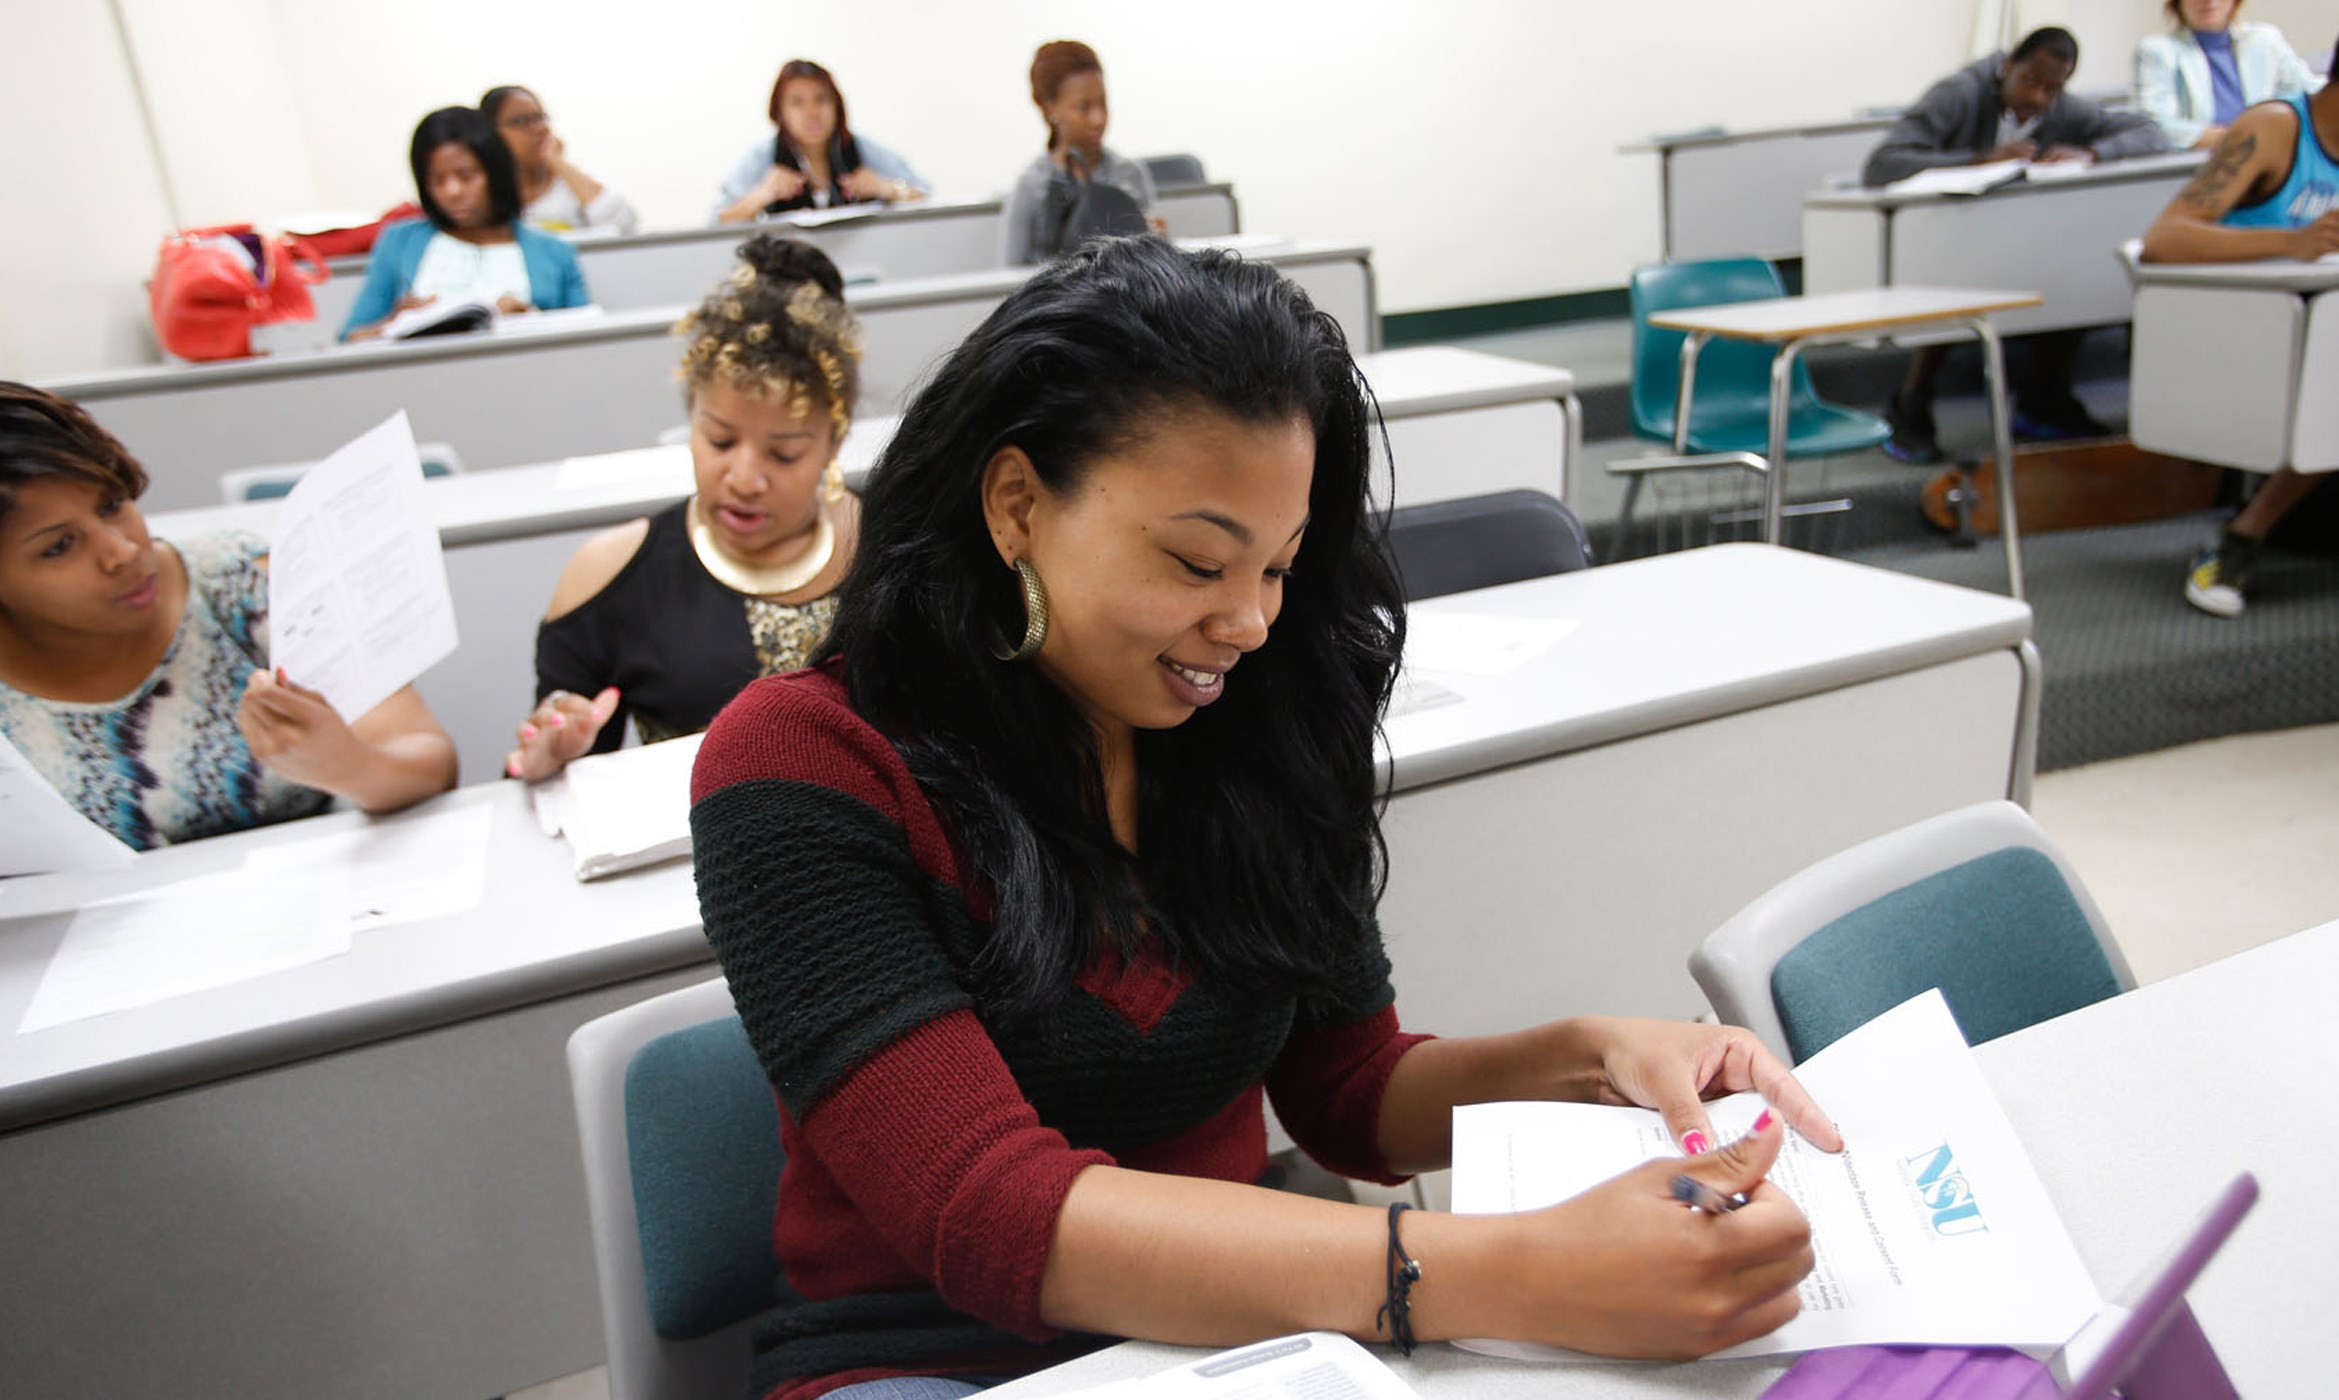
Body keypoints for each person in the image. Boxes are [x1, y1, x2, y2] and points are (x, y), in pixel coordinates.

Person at [687, 238, 1844, 1399]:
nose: (1247, 622)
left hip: (1240, 1342)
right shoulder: (805, 761)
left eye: (1281, 569)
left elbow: (1348, 1091)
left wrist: (1593, 1059)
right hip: (933, 1362)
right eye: (1198, 562)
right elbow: (991, 1210)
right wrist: (1521, 1269)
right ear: (1017, 505)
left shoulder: (1255, 725)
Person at [0, 383, 457, 849]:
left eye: (112, 504)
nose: (122, 550)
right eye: (59, 547)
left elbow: (427, 760)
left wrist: (348, 765)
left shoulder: (237, 583)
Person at [2144, 0, 2339, 617]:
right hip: (2251, 331)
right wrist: (2291, 242)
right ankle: (2242, 536)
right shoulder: (2272, 129)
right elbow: (2166, 238)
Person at [506, 235, 863, 783]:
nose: (744, 479)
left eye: (784, 453)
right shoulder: (610, 576)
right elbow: (562, 785)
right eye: (719, 442)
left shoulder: (896, 549)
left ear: (833, 444)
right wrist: (549, 755)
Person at [1864, 28, 2172, 460]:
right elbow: (1882, 164)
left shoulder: (2062, 109)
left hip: (2023, 241)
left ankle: (2045, 397)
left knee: (2075, 262)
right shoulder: (1959, 94)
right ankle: (1912, 401)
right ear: (2006, 67)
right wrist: (1975, 160)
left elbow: (2150, 133)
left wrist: (2093, 154)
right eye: (2031, 82)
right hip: (1947, 241)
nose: (2041, 98)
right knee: (1953, 277)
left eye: (2054, 88)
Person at [339, 106, 592, 341]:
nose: (452, 191)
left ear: (495, 173)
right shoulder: (399, 242)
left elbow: (587, 339)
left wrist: (530, 317)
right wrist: (396, 322)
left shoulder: (554, 252)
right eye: (437, 180)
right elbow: (349, 340)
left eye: (466, 176)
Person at [1001, 40, 1164, 265]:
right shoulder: (1032, 185)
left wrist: (1158, 242)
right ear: (1049, 108)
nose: (1098, 119)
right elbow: (1007, 277)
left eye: (1103, 104)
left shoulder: (1129, 173)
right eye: (1083, 108)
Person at [715, 61, 929, 224]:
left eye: (821, 99)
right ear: (780, 113)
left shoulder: (863, 150)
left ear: (837, 106)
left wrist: (886, 189)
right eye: (797, 103)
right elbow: (718, 222)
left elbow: (927, 198)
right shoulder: (762, 158)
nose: (812, 113)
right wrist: (763, 194)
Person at [2133, 0, 2322, 150]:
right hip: (2199, 170)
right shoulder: (2157, 51)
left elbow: (2313, 93)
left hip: (2269, 162)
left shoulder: (2265, 41)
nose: (2208, 1)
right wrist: (2231, 138)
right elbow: (2155, 125)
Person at [480, 85, 640, 235]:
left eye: (540, 118)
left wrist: (558, 162)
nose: (539, 129)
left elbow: (623, 228)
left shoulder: (571, 183)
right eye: (521, 121)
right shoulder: (482, 191)